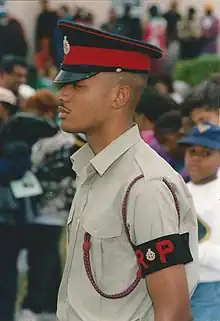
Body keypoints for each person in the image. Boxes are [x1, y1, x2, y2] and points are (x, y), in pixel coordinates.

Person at [54, 20, 198, 321]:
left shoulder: (144, 185)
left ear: (119, 96)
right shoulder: (96, 171)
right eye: (63, 85)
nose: (62, 96)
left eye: (78, 85)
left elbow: (173, 310)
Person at [178, 122, 220, 320]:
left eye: (206, 153)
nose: (196, 158)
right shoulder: (180, 190)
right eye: (192, 151)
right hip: (181, 288)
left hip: (212, 287)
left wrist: (189, 250)